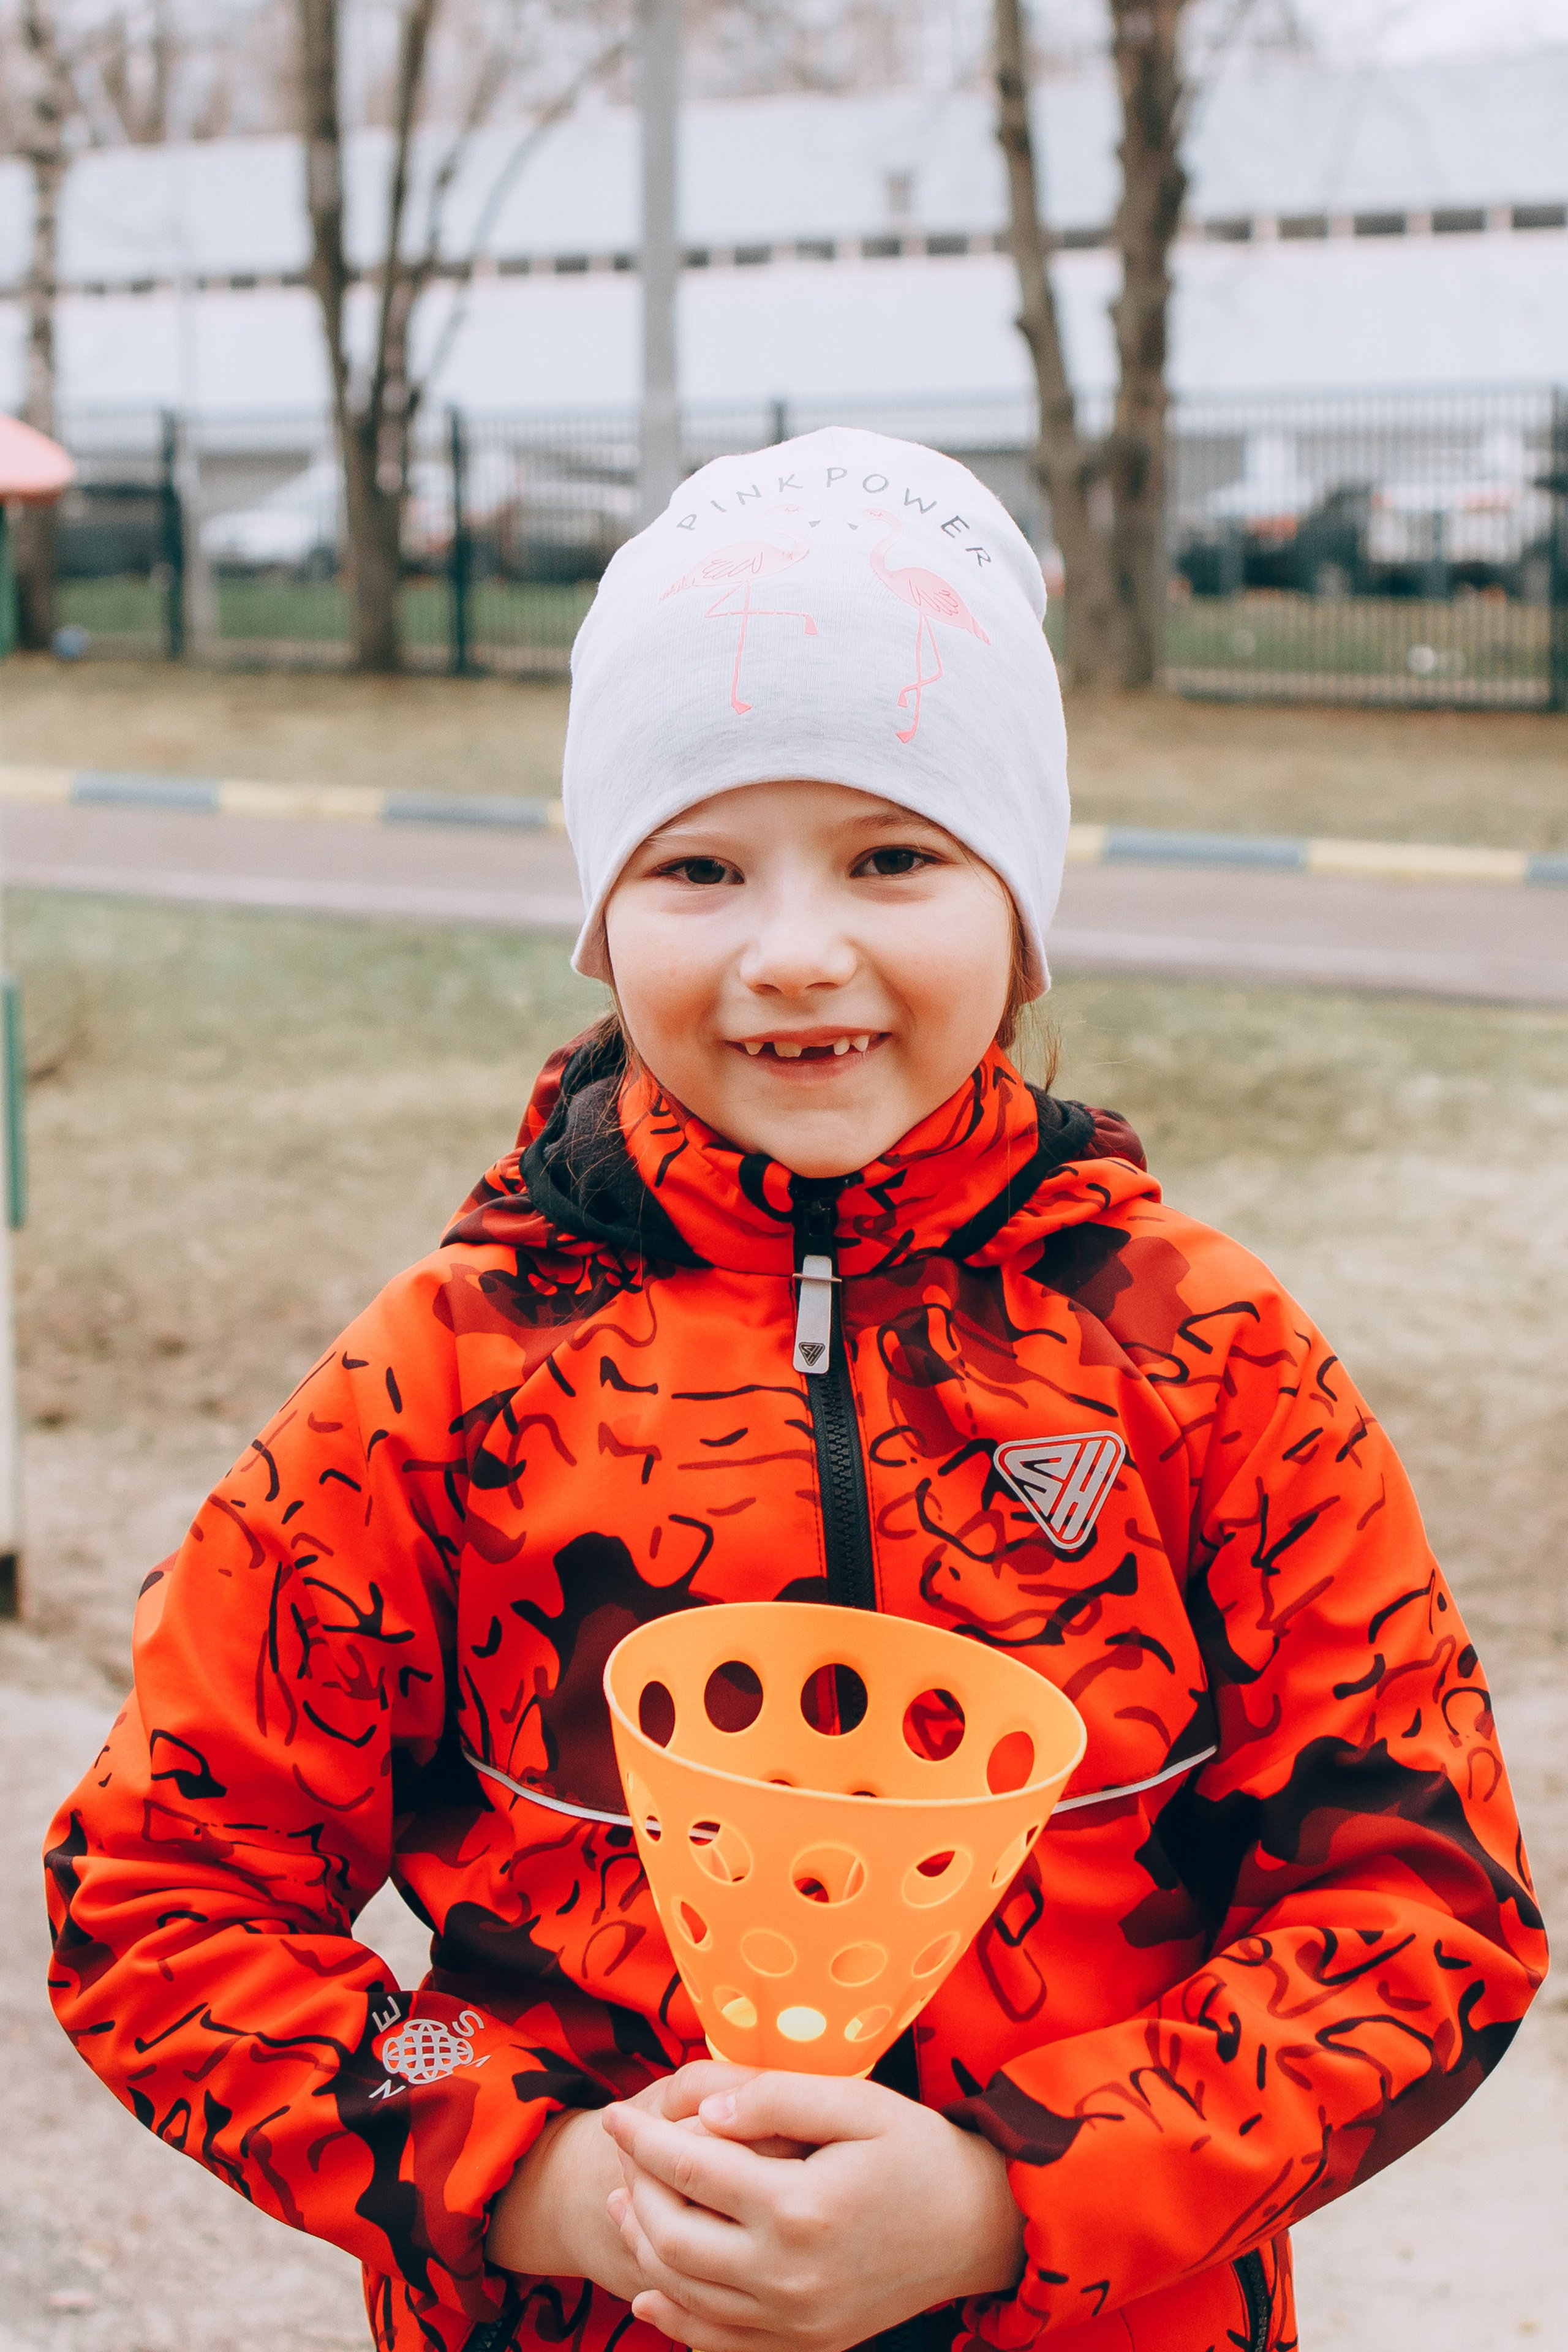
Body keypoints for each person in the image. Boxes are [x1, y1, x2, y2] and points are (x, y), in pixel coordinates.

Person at [45, 428, 1542, 2352]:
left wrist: (1013, 2199)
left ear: (1020, 905)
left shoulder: (1206, 1359)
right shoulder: (447, 1380)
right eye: (698, 866)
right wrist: (537, 2172)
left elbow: (1421, 1918)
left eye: (894, 855)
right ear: (603, 915)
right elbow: (165, 1896)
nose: (796, 951)